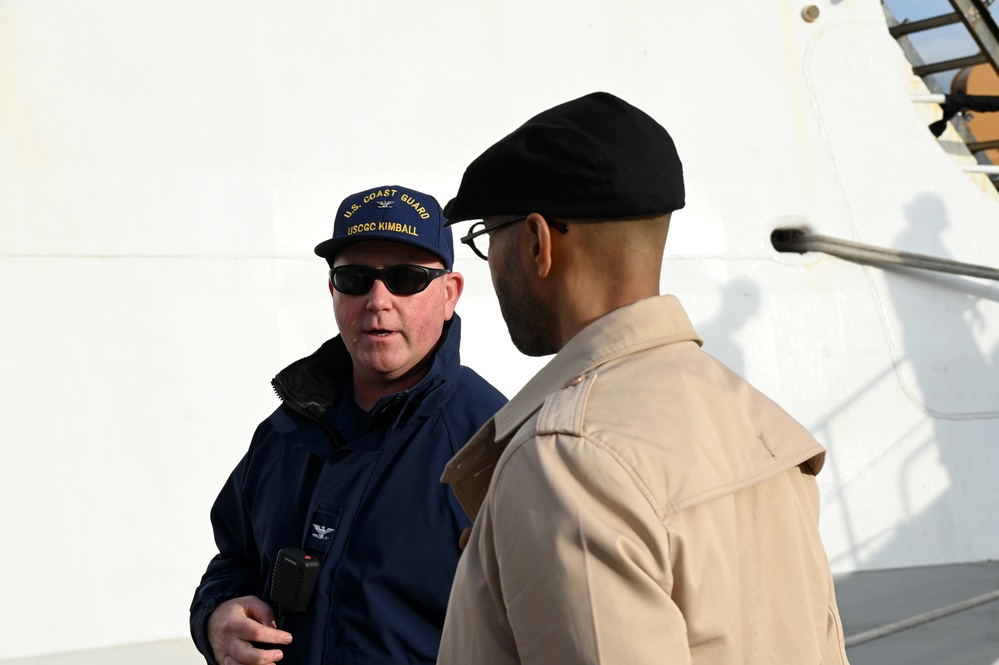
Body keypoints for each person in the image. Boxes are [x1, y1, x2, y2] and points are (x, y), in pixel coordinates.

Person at [436, 92, 850, 664]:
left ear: (537, 242)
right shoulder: (760, 424)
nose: (492, 266)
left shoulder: (569, 458)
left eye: (488, 237)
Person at [190, 185, 507, 665]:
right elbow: (233, 558)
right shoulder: (284, 433)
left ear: (449, 294)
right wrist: (217, 618)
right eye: (357, 277)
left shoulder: (494, 444)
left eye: (405, 277)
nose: (378, 300)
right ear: (334, 290)